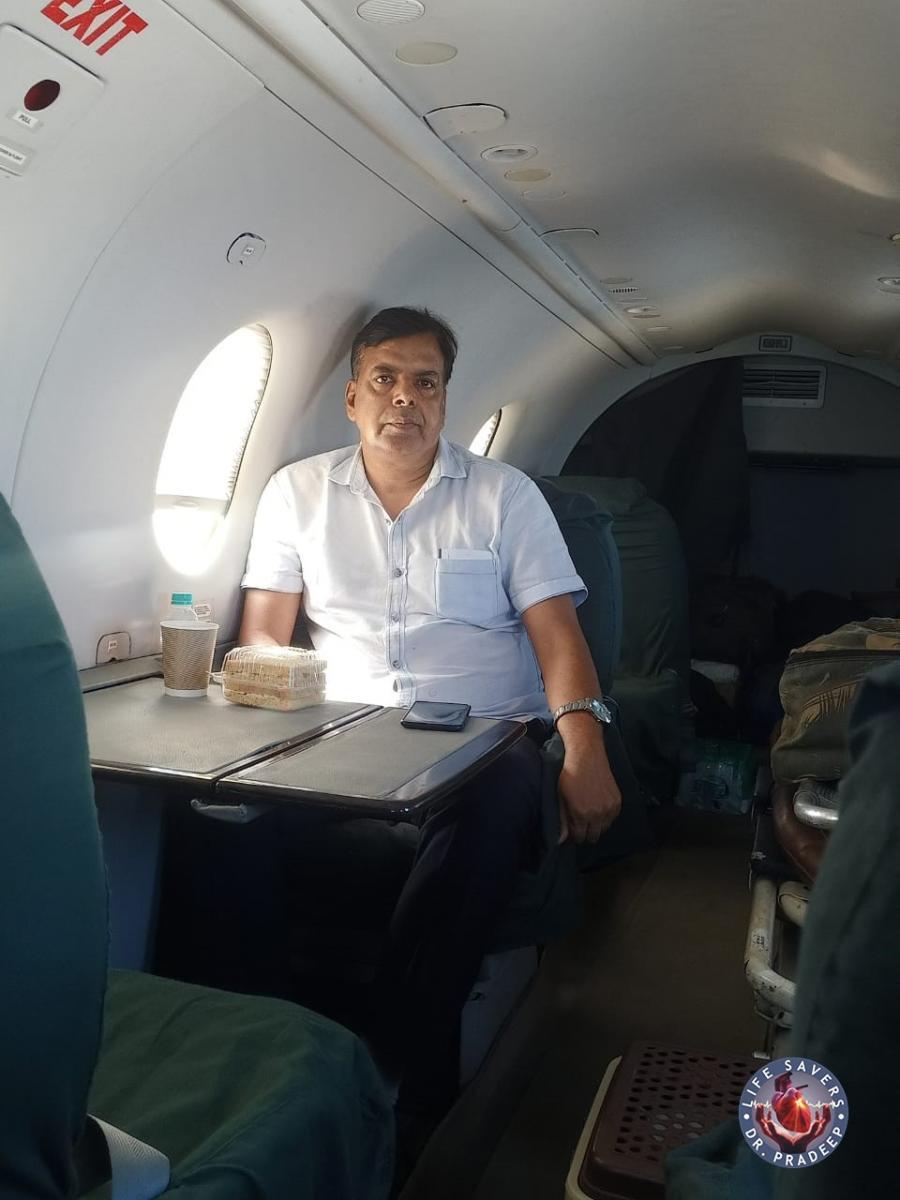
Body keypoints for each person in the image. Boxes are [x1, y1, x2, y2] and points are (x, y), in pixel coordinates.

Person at [238, 306, 621, 1132]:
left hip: (491, 739)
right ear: (352, 397)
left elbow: (559, 638)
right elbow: (264, 639)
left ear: (446, 399)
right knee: (220, 822)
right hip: (346, 734)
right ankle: (251, 1050)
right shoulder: (296, 493)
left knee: (490, 802)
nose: (404, 398)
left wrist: (585, 746)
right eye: (385, 379)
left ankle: (391, 1071)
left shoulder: (504, 497)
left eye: (426, 382)